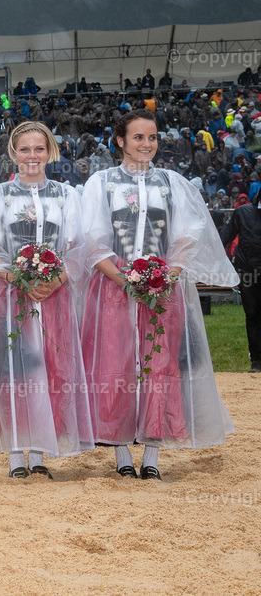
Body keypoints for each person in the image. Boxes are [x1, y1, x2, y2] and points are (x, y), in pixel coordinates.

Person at [81, 109, 237, 481]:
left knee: (160, 365)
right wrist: (124, 280)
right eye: (138, 137)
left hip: (162, 290)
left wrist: (167, 277)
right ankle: (120, 453)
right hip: (112, 289)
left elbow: (187, 236)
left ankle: (152, 455)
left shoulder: (172, 183)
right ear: (120, 140)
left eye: (151, 138)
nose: (146, 144)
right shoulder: (100, 183)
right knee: (114, 364)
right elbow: (91, 240)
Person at [0, 122, 94, 479]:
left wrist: (56, 279)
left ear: (50, 152)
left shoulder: (68, 196)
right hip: (10, 296)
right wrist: (14, 275)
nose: (33, 156)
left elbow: (81, 247)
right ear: (14, 153)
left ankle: (39, 454)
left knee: (50, 368)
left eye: (39, 149)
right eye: (25, 149)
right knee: (13, 372)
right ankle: (16, 455)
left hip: (55, 298)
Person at [220, 190, 261, 373]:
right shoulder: (243, 212)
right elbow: (224, 237)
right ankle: (257, 361)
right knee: (253, 315)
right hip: (249, 272)